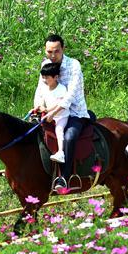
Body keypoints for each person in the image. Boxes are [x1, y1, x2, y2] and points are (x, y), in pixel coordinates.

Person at [33, 34, 90, 190]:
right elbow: (40, 89)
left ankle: (64, 178)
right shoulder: (46, 63)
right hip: (50, 111)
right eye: (49, 52)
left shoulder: (74, 65)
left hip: (74, 113)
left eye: (56, 51)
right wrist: (38, 106)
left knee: (69, 137)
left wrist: (52, 113)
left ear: (63, 49)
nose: (52, 55)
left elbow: (70, 96)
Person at [37, 62, 69, 164]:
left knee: (59, 129)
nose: (45, 81)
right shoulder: (45, 88)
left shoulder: (62, 89)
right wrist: (40, 107)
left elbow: (59, 104)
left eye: (47, 78)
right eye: (43, 78)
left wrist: (47, 110)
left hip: (61, 116)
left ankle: (61, 153)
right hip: (48, 115)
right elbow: (41, 101)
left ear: (56, 77)